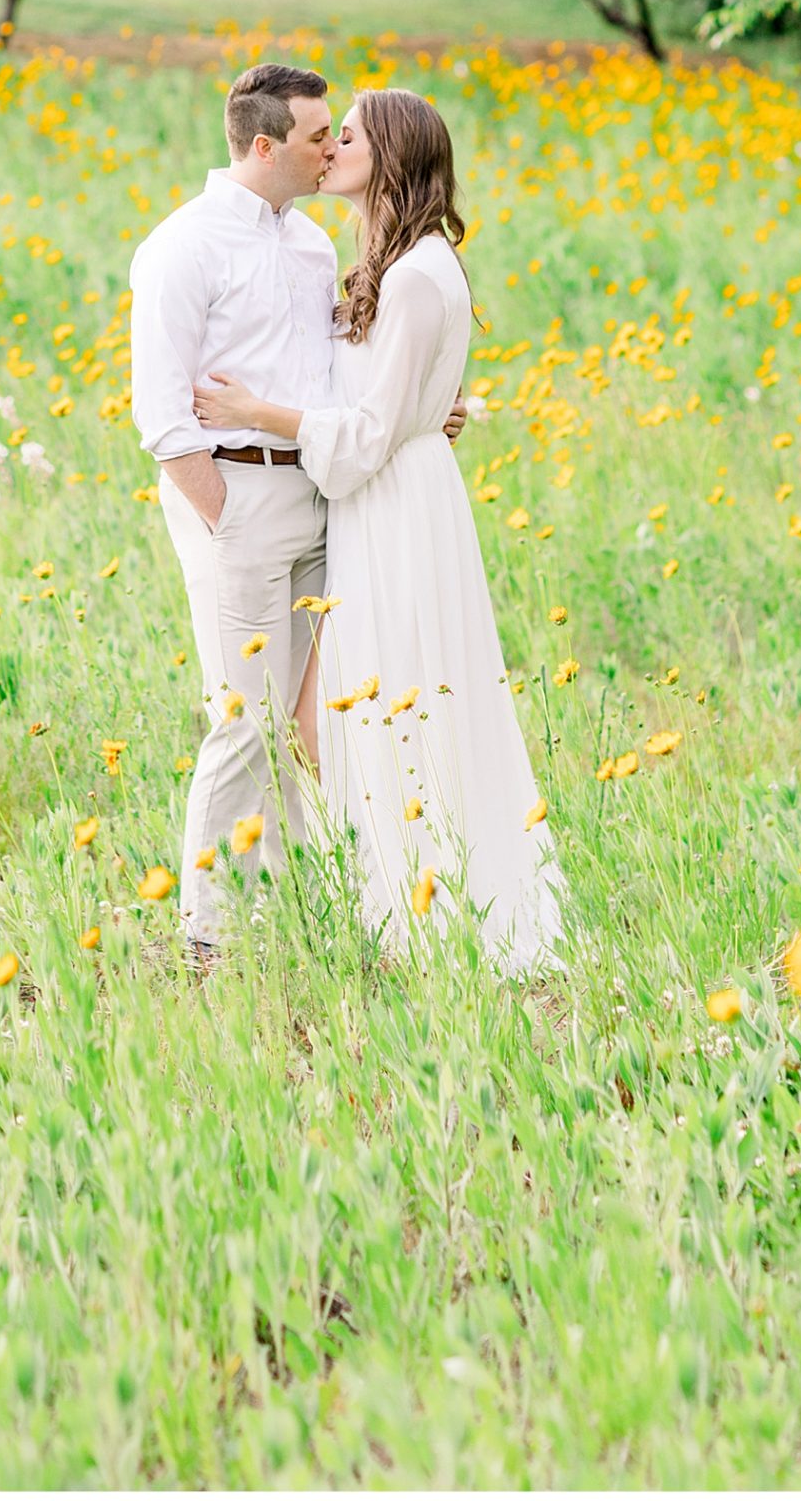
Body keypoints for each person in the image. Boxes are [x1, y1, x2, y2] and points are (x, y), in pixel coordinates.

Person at [193, 86, 562, 975]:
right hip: (377, 498)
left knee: (376, 707)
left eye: (344, 137)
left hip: (394, 506)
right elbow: (380, 397)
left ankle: (424, 905)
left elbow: (359, 436)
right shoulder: (383, 264)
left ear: (387, 157)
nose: (329, 149)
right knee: (339, 713)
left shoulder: (418, 274)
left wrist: (259, 413)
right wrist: (431, 408)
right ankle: (390, 893)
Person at [128, 63, 342, 958]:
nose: (334, 148)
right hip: (236, 495)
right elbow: (162, 415)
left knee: (317, 720)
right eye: (317, 137)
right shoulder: (183, 246)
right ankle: (208, 930)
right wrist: (225, 517)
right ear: (264, 146)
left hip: (324, 494)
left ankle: (305, 905)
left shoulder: (313, 244)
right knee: (242, 716)